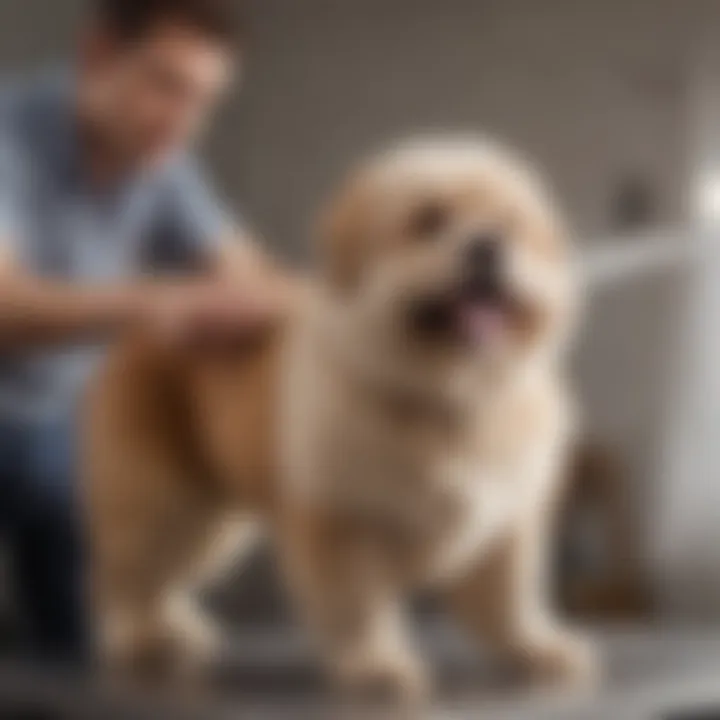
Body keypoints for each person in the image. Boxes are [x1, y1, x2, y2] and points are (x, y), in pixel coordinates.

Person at [0, 0, 287, 664]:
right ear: (97, 54)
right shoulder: (7, 133)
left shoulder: (162, 154)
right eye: (167, 84)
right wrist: (162, 303)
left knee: (87, 645)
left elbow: (250, 282)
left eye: (203, 101)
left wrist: (363, 314)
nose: (182, 119)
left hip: (60, 422)